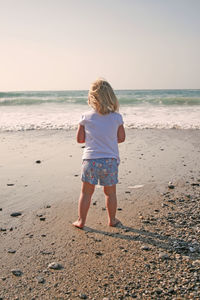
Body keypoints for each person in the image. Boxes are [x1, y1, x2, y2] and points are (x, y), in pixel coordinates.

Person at [73, 78, 125, 229]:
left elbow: (80, 139)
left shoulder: (86, 117)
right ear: (111, 97)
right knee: (110, 193)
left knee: (86, 193)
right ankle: (112, 220)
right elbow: (121, 138)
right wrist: (108, 139)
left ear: (91, 98)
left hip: (90, 160)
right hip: (110, 161)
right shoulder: (116, 117)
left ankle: (81, 221)